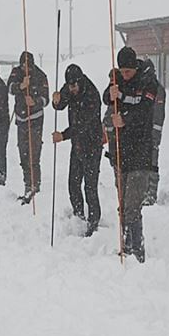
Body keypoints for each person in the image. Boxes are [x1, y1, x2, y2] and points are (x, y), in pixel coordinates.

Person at [102, 46, 158, 263]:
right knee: (123, 204)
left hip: (140, 153)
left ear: (135, 66)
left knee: (132, 204)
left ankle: (136, 249)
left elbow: (145, 111)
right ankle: (128, 244)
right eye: (122, 71)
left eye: (128, 72)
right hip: (120, 152)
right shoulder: (118, 79)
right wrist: (111, 93)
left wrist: (125, 118)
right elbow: (106, 97)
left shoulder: (147, 82)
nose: (125, 75)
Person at [51, 64, 103, 237]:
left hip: (92, 144)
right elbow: (61, 105)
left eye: (73, 86)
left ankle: (93, 221)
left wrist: (63, 136)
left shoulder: (92, 95)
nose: (71, 89)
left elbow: (81, 125)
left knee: (90, 186)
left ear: (79, 81)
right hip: (78, 144)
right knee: (73, 183)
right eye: (68, 86)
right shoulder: (69, 86)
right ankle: (78, 215)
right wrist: (56, 101)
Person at [7, 51, 49, 204]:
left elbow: (46, 99)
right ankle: (27, 183)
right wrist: (21, 85)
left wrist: (36, 102)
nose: (25, 68)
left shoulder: (40, 75)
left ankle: (35, 185)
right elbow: (10, 88)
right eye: (23, 65)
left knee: (33, 152)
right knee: (23, 153)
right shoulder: (16, 72)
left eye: (28, 66)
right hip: (21, 118)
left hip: (35, 119)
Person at [142, 58, 166, 206]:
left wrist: (155, 136)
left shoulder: (158, 90)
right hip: (143, 132)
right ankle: (144, 190)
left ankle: (151, 193)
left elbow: (158, 115)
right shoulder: (144, 87)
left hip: (153, 132)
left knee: (152, 163)